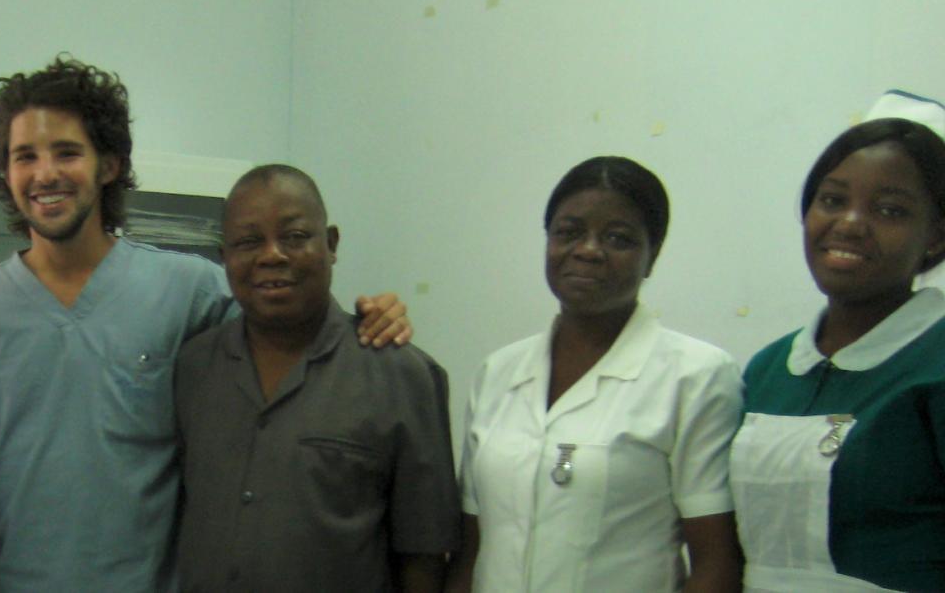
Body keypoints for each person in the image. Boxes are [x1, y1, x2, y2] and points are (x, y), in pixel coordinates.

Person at [0, 55, 411, 591]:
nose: (44, 173)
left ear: (108, 165)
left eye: (66, 152)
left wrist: (369, 316)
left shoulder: (189, 292)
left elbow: (287, 327)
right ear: (4, 173)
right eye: (24, 156)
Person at [448, 157, 743, 592]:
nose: (588, 250)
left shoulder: (696, 377)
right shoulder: (498, 372)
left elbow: (717, 566)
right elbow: (472, 552)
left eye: (618, 238)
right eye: (568, 232)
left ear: (652, 256)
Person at [174, 165, 458, 592]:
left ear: (331, 244)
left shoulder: (403, 376)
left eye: (294, 236)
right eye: (249, 241)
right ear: (224, 255)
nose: (272, 255)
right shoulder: (193, 367)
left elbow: (423, 557)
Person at [730, 90, 945, 592]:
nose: (850, 223)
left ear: (935, 236)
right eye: (832, 200)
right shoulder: (768, 369)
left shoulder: (936, 364)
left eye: (890, 210)